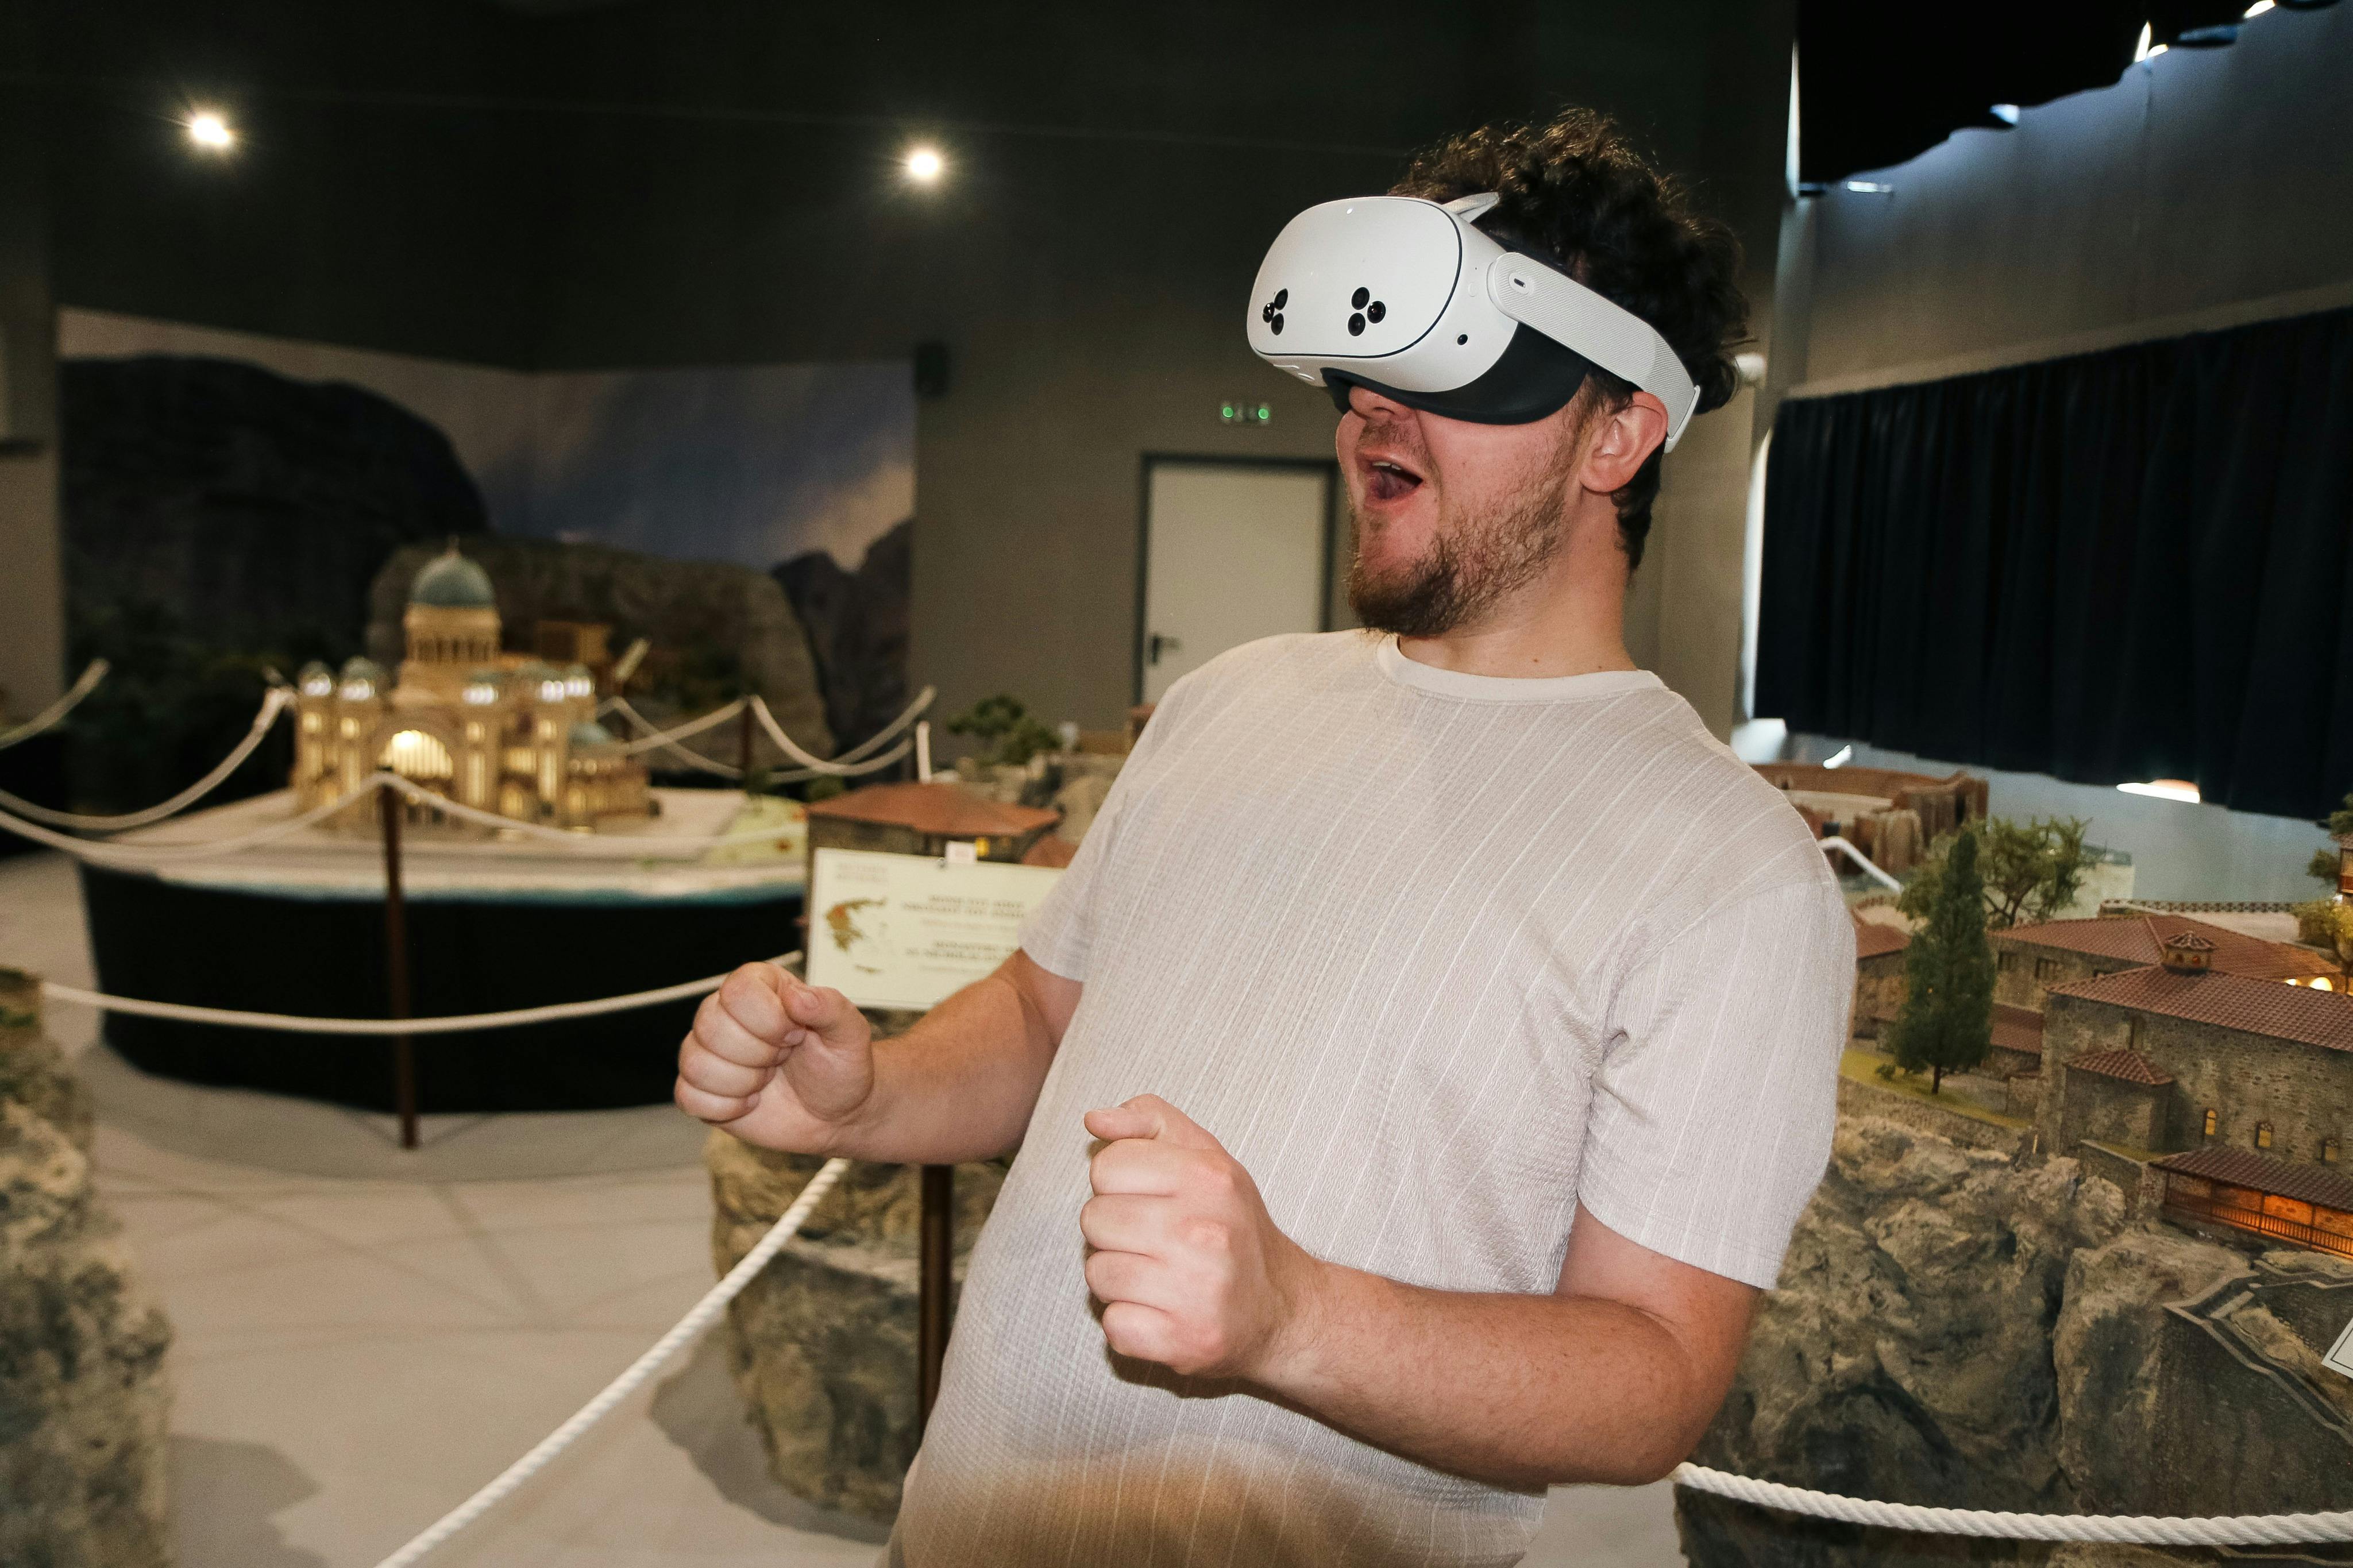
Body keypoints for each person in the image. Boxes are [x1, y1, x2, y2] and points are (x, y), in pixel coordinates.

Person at [676, 106, 1853, 1567]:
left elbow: (1650, 1378)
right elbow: (1049, 1024)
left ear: (1617, 431)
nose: (1368, 414)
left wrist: (1292, 1315)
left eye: (1455, 373)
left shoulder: (1727, 872)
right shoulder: (1230, 700)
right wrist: (872, 1099)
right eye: (1362, 376)